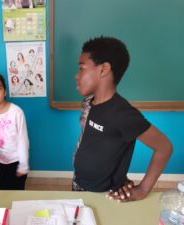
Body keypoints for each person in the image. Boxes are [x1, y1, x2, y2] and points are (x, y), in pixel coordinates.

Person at [73, 36, 172, 202]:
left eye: (82, 68)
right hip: (80, 184)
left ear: (103, 69)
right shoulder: (90, 104)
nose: (77, 75)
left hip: (105, 195)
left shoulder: (122, 113)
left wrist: (143, 189)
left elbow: (164, 147)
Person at [0, 71, 29, 190]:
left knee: (18, 191)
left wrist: (23, 165)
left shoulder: (16, 112)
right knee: (4, 189)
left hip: (17, 160)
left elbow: (23, 140)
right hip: (0, 160)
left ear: (5, 91)